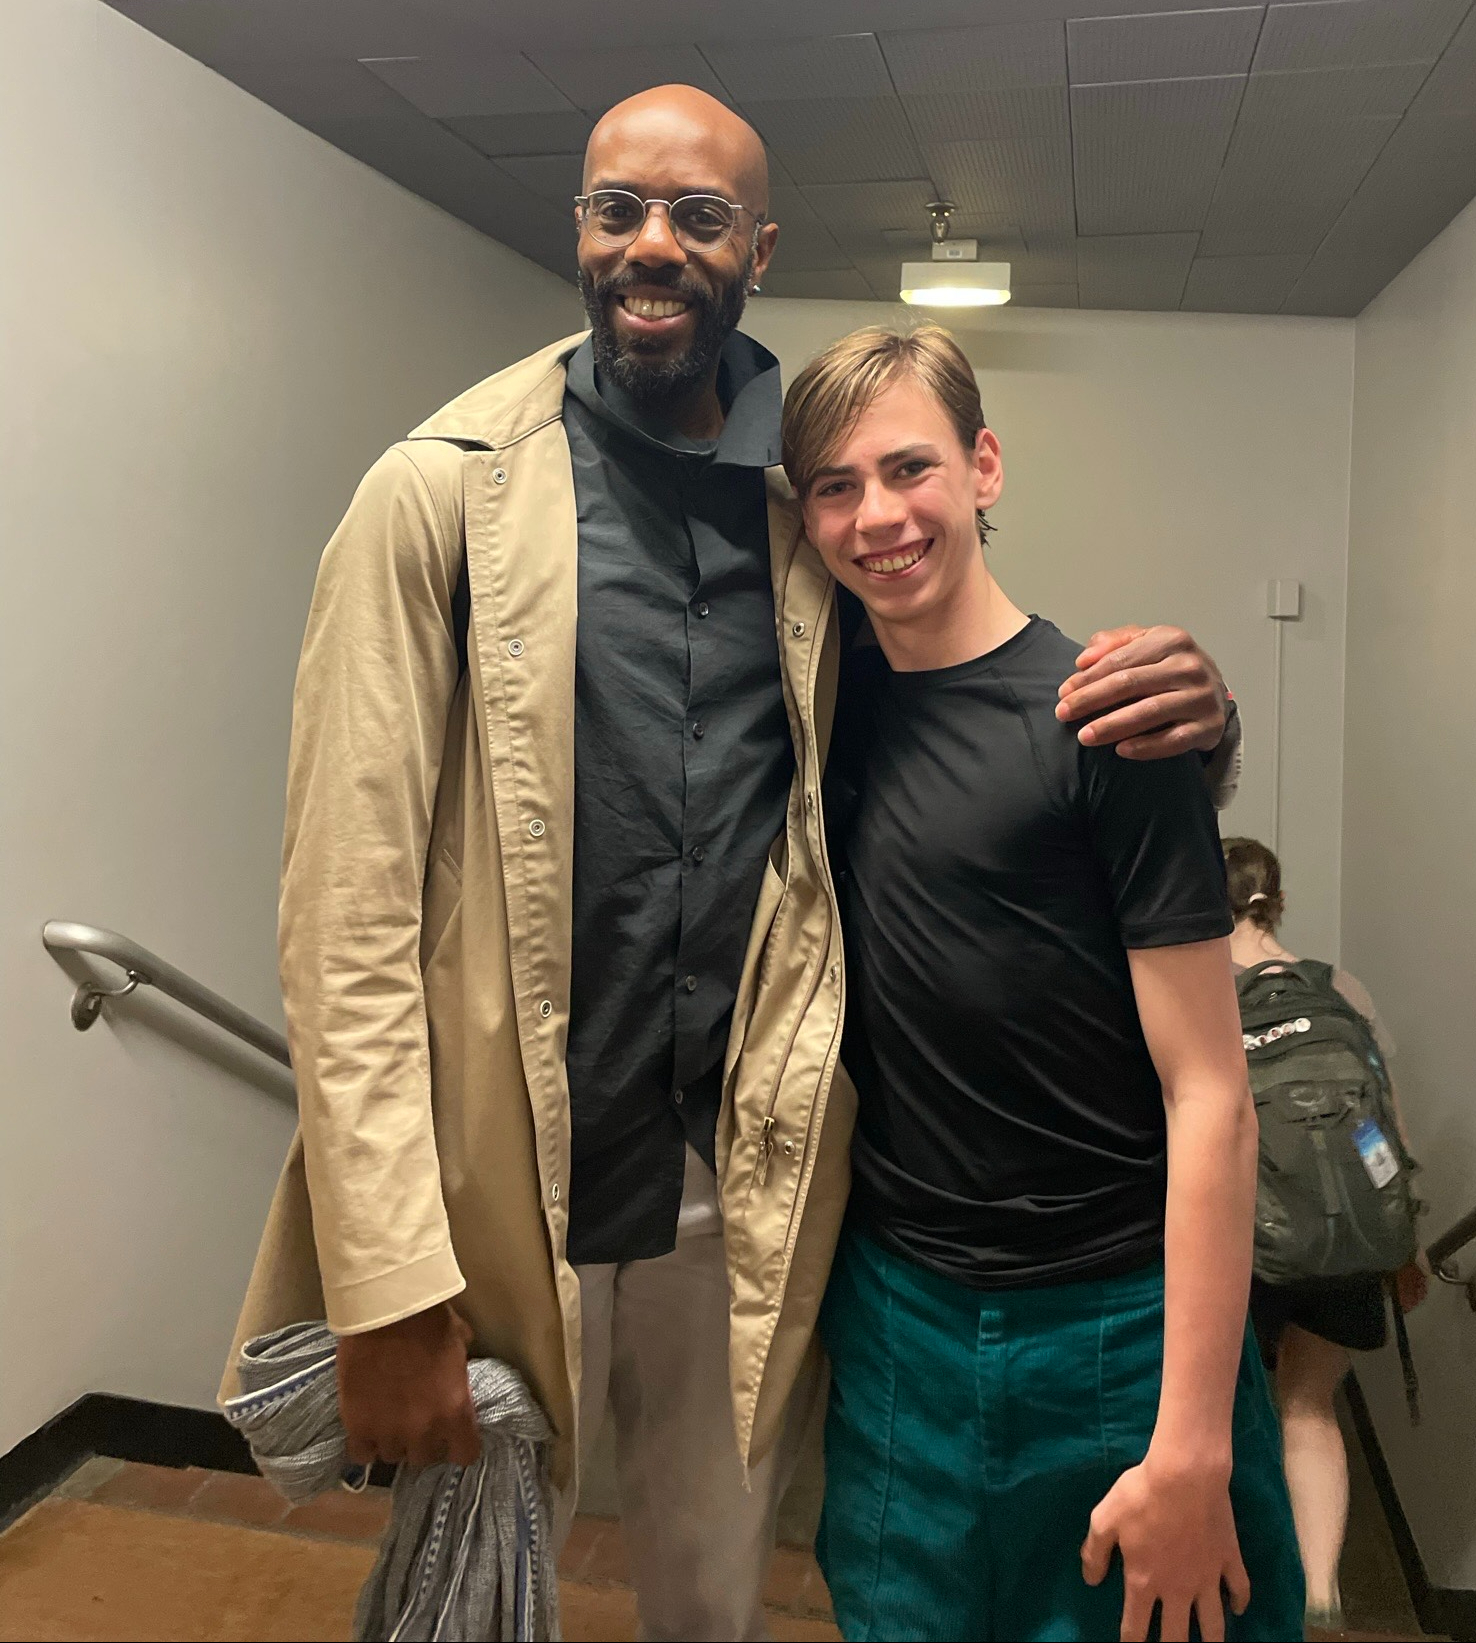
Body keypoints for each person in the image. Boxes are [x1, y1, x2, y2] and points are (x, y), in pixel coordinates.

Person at [225, 88, 1242, 1643]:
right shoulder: (436, 494)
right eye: (616, 208)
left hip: (739, 1195)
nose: (652, 246)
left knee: (717, 1600)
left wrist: (1197, 724)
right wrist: (384, 1276)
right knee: (466, 1606)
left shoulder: (814, 503)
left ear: (756, 249)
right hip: (505, 1186)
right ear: (576, 229)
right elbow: (346, 917)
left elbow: (972, 720)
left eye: (698, 219)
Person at [780, 324, 1304, 1643]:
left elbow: (1211, 1096)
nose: (876, 515)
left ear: (985, 465)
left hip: (1120, 1325)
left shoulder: (1111, 723)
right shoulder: (816, 719)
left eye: (909, 468)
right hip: (900, 1322)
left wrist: (1190, 1444)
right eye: (835, 486)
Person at [1224, 837, 1427, 1636]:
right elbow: (1386, 1127)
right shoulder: (1342, 990)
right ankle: (1318, 1592)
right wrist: (1403, 1244)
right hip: (1345, 1236)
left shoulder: (1201, 986)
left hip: (1241, 1237)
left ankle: (1234, 1584)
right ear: (1277, 898)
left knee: (1224, 1409)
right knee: (1309, 1407)